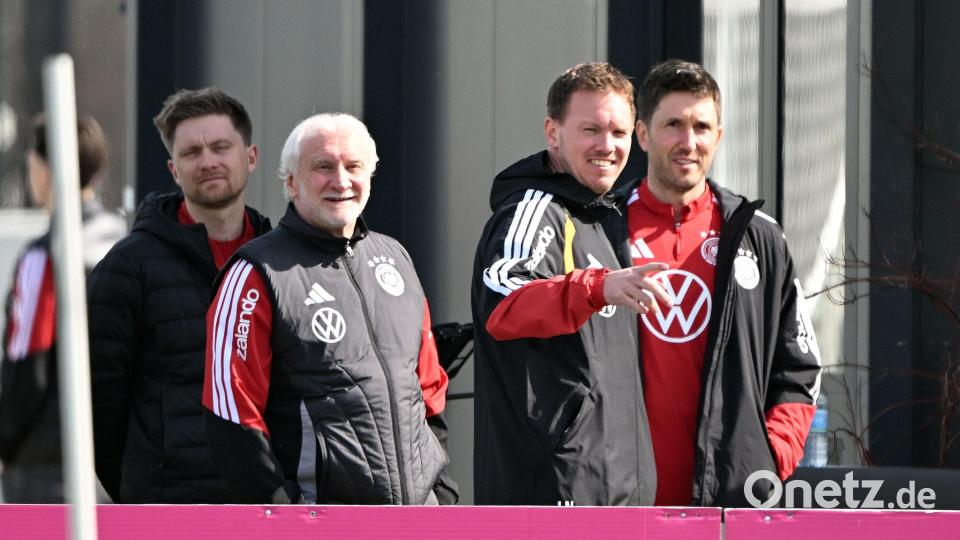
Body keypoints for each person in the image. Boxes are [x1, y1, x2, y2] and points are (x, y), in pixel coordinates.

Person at [202, 112, 457, 505]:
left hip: (418, 520)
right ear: (291, 182)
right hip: (317, 522)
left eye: (353, 166)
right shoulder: (255, 272)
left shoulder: (396, 259)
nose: (340, 181)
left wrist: (440, 491)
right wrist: (282, 510)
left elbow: (428, 391)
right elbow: (232, 411)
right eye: (323, 167)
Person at [623, 59, 822, 506]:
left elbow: (800, 368)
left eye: (701, 126)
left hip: (728, 503)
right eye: (672, 124)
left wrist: (769, 460)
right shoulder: (603, 227)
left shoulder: (758, 235)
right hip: (618, 503)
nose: (688, 142)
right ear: (642, 134)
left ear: (719, 136)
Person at [471, 62, 672, 505]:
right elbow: (505, 304)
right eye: (591, 130)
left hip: (616, 495)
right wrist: (596, 287)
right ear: (552, 132)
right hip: (553, 496)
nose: (607, 146)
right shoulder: (534, 209)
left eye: (619, 133)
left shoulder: (598, 218)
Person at [86, 88, 271, 503]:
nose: (207, 161)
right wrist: (142, 490)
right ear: (174, 169)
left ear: (251, 157)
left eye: (221, 146)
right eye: (191, 152)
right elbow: (97, 405)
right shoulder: (128, 268)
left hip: (266, 505)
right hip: (168, 507)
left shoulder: (279, 263)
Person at [0, 114, 126, 502]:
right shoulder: (123, 240)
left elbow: (27, 362)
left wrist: (5, 442)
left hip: (47, 463)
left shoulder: (47, 255)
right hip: (113, 462)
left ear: (47, 168)